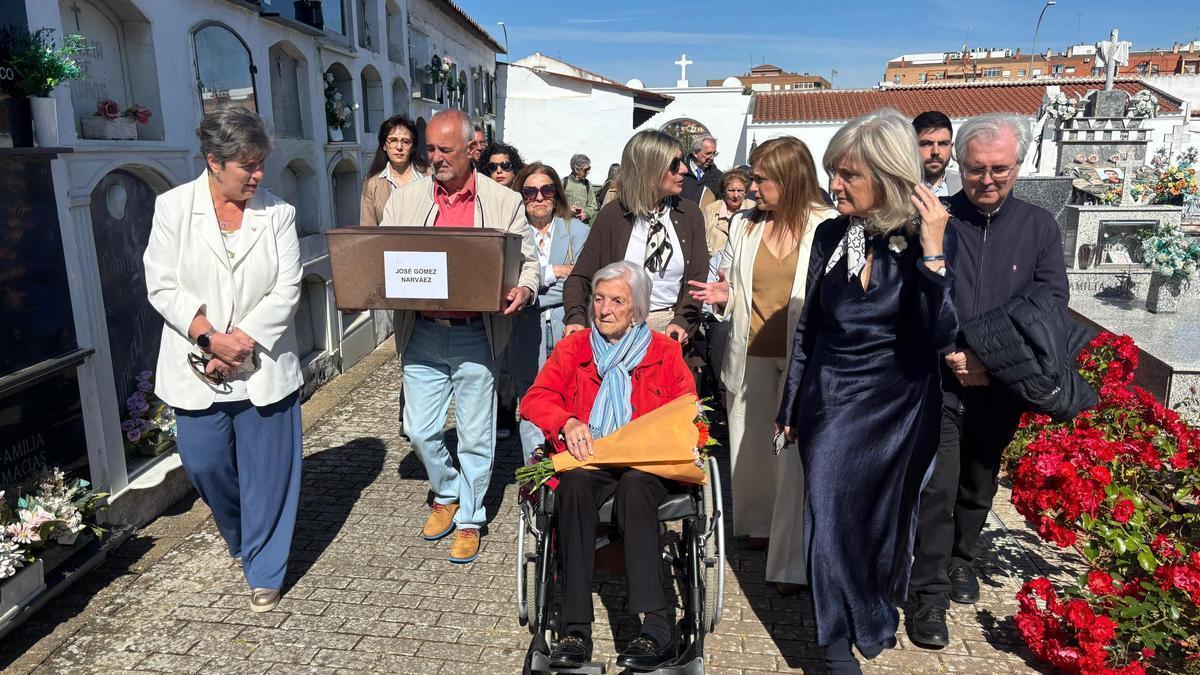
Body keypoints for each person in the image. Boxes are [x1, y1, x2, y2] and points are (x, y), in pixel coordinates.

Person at [774, 109, 957, 672]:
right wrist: (790, 405)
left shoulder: (924, 234)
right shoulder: (833, 234)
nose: (834, 185)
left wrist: (931, 254)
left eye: (848, 174)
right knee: (826, 514)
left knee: (880, 524)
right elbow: (811, 326)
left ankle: (872, 615)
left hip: (900, 407)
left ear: (887, 174)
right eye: (834, 172)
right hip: (831, 402)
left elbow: (941, 332)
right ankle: (835, 647)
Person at [905, 113, 1069, 649]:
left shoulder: (1039, 226)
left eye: (1000, 168)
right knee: (939, 485)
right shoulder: (937, 218)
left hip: (1003, 383)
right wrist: (953, 350)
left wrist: (989, 356)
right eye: (976, 169)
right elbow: (918, 295)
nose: (988, 179)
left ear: (1017, 166)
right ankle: (926, 595)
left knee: (978, 482)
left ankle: (961, 559)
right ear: (960, 166)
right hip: (943, 380)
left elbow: (1048, 302)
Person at [143, 107, 304, 613]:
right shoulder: (172, 209)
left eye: (261, 164)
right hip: (198, 363)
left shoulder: (277, 214)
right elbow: (161, 285)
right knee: (206, 463)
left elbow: (288, 287)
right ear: (214, 162)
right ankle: (242, 537)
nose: (258, 176)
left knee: (269, 472)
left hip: (263, 366)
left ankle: (263, 566)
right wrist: (210, 338)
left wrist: (244, 340)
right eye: (246, 166)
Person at [379, 109, 539, 564]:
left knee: (474, 434)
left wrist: (525, 287)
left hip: (476, 333)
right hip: (423, 331)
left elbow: (529, 262)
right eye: (429, 148)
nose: (434, 158)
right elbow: (385, 256)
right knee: (419, 428)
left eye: (444, 150)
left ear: (473, 150)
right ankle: (446, 490)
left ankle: (469, 516)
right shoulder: (405, 200)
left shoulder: (503, 201)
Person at [520, 261, 696, 671]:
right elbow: (536, 398)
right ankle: (574, 628)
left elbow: (689, 411)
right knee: (575, 488)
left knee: (636, 488)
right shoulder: (574, 349)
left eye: (617, 300)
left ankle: (655, 629)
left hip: (646, 464)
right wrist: (567, 421)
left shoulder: (664, 352)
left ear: (636, 308)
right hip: (590, 458)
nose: (604, 309)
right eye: (599, 299)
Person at [689, 137, 836, 595]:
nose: (752, 188)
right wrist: (723, 297)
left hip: (802, 361)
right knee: (751, 452)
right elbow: (735, 286)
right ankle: (758, 527)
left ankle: (791, 563)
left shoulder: (827, 226)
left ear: (790, 179)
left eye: (760, 179)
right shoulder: (745, 226)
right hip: (748, 354)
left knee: (790, 461)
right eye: (751, 178)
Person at [563, 130, 708, 343]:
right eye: (675, 164)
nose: (685, 170)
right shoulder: (613, 215)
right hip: (617, 333)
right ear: (650, 169)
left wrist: (682, 322)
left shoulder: (689, 214)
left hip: (670, 332)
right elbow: (580, 277)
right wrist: (575, 317)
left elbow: (697, 281)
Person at [507, 162, 591, 461]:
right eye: (530, 191)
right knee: (530, 395)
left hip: (567, 323)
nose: (539, 197)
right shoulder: (511, 235)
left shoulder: (578, 231)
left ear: (556, 194)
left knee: (570, 392)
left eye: (546, 189)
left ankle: (567, 456)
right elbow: (507, 285)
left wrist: (531, 287)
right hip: (524, 329)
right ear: (520, 196)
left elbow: (585, 280)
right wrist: (555, 272)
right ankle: (535, 460)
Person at [360, 115, 429, 226]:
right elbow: (367, 229)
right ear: (384, 146)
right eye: (393, 140)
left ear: (413, 148)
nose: (399, 147)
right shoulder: (372, 184)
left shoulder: (429, 177)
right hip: (387, 242)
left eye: (405, 141)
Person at [702, 168, 756, 258]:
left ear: (746, 192)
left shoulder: (753, 208)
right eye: (731, 190)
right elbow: (702, 240)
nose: (735, 195)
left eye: (740, 191)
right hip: (714, 265)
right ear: (724, 191)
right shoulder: (711, 209)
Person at [912, 111, 961, 198]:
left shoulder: (963, 187)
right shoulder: (897, 190)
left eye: (943, 143)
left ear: (951, 147)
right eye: (927, 143)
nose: (935, 151)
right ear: (912, 146)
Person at [681, 135, 723, 207]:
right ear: (695, 153)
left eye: (714, 154)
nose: (712, 158)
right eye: (708, 154)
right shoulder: (681, 172)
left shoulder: (718, 176)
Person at [563, 153, 598, 223]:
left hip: (582, 226)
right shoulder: (563, 183)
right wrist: (567, 209)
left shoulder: (587, 185)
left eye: (589, 168)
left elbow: (593, 206)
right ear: (576, 169)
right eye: (586, 169)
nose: (588, 172)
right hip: (565, 225)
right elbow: (554, 204)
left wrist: (586, 214)